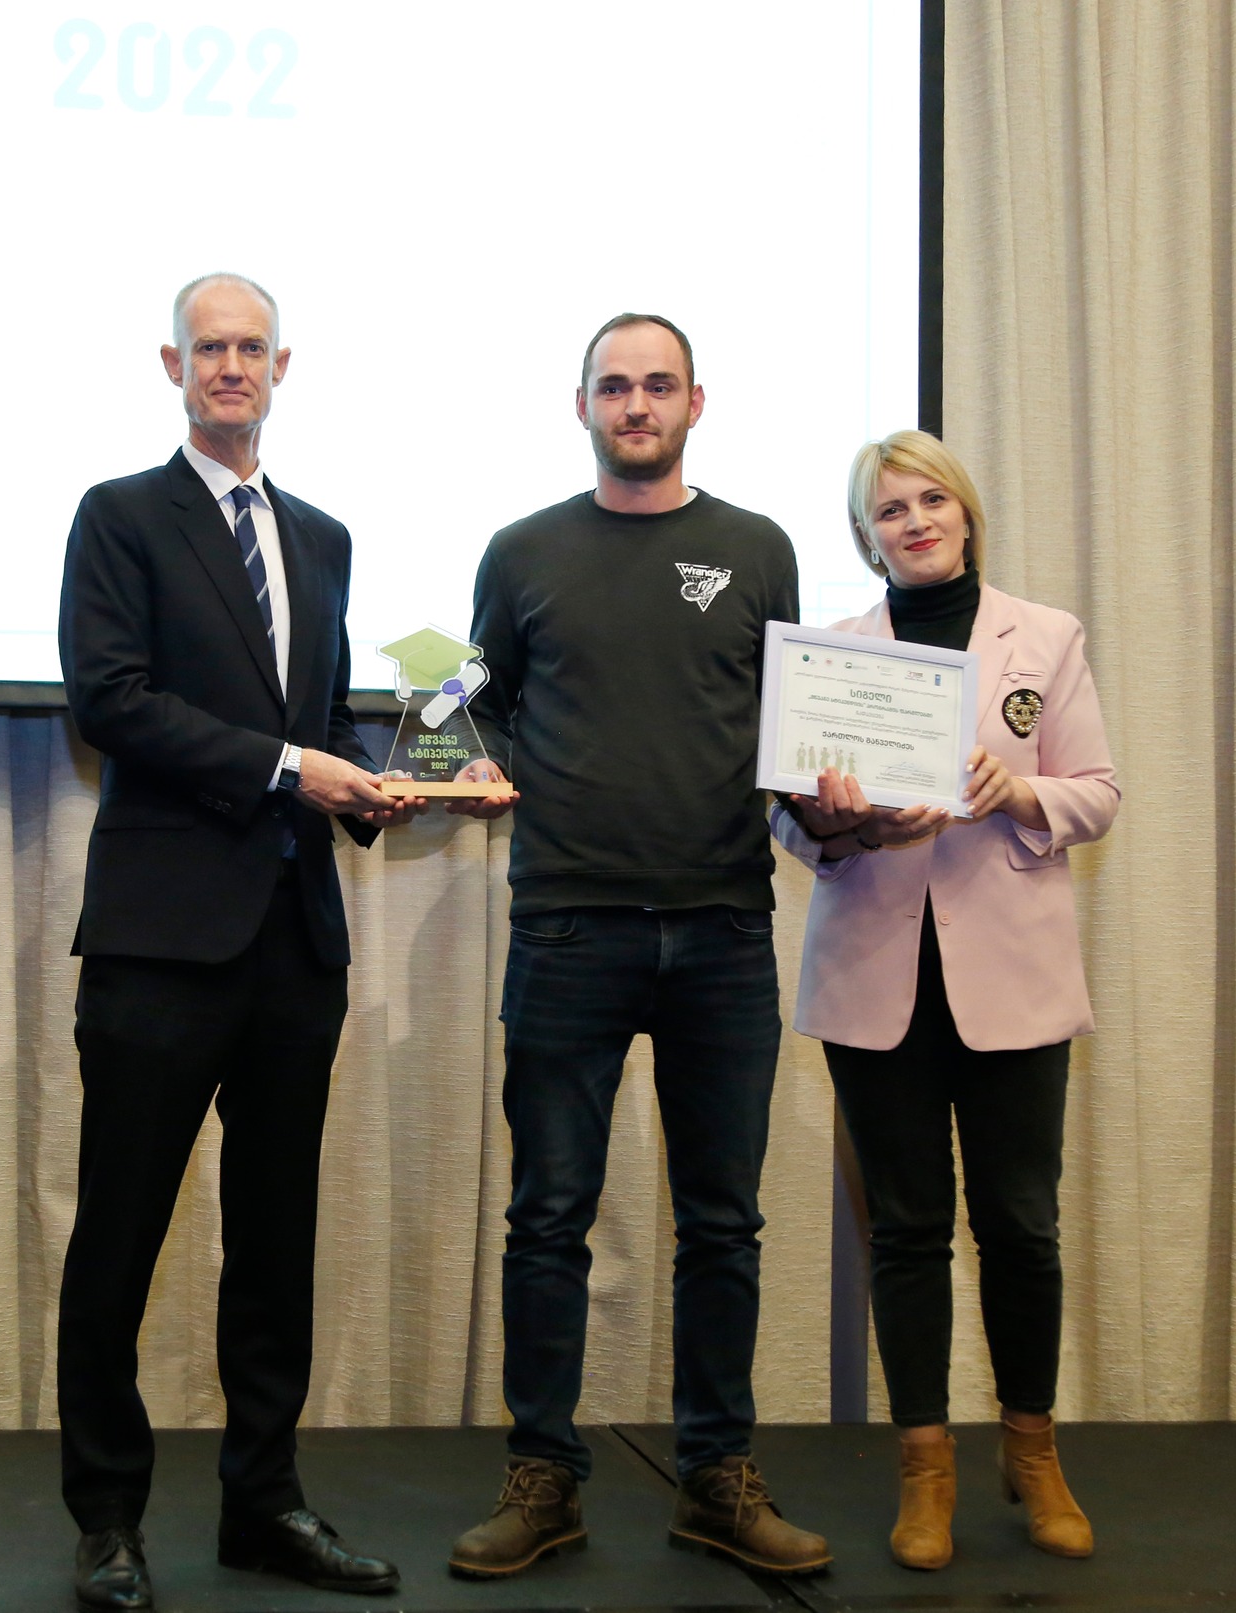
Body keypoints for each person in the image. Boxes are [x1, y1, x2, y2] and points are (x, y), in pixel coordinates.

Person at [442, 313, 830, 1580]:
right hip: (567, 924)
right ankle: (543, 1477)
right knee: (547, 1216)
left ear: (694, 403)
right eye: (614, 386)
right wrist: (468, 768)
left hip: (722, 925)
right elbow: (469, 708)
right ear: (582, 406)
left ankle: (715, 1477)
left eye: (658, 385)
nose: (636, 404)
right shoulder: (522, 552)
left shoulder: (757, 549)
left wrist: (845, 785)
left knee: (722, 1223)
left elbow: (790, 726)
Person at [56, 273, 418, 1610]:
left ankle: (264, 1504)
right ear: (172, 365)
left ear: (281, 366)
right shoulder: (119, 516)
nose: (229, 367)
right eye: (207, 347)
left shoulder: (320, 536)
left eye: (249, 347)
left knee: (274, 1246)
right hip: (160, 941)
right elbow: (110, 700)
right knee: (120, 1241)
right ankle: (107, 1519)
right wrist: (289, 766)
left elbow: (321, 719)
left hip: (293, 943)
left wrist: (389, 787)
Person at [772, 430, 1119, 1572]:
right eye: (889, 510)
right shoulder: (832, 655)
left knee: (1020, 1224)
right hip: (879, 978)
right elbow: (787, 821)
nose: (914, 521)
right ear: (863, 536)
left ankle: (1034, 1453)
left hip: (1010, 978)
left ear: (966, 514)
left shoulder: (1044, 636)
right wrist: (847, 822)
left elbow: (1097, 793)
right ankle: (925, 1468)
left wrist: (1015, 791)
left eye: (931, 501)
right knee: (908, 1229)